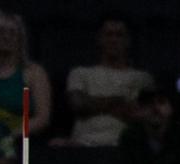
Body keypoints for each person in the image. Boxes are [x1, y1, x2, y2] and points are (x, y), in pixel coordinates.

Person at [64, 14, 149, 148]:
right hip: (83, 145)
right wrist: (118, 101)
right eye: (108, 34)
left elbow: (140, 114)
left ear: (128, 40)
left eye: (119, 35)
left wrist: (93, 103)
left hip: (125, 147)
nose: (113, 40)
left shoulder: (142, 77)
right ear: (99, 39)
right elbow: (78, 104)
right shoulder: (80, 73)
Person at [0, 10, 50, 139]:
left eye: (13, 33)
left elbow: (42, 117)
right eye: (0, 31)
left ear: (20, 40)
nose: (6, 37)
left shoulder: (34, 72)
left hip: (23, 141)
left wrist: (10, 136)